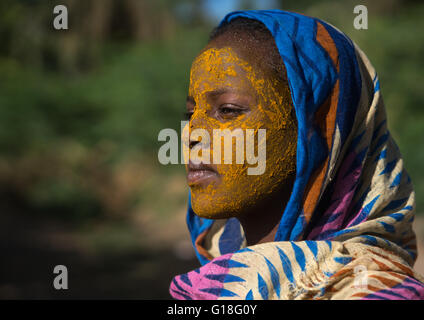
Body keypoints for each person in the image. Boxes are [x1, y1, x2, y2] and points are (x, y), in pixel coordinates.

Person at [169, 10, 424, 300]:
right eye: (190, 113)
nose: (191, 133)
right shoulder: (218, 276)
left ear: (315, 129)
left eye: (227, 110)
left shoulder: (368, 291)